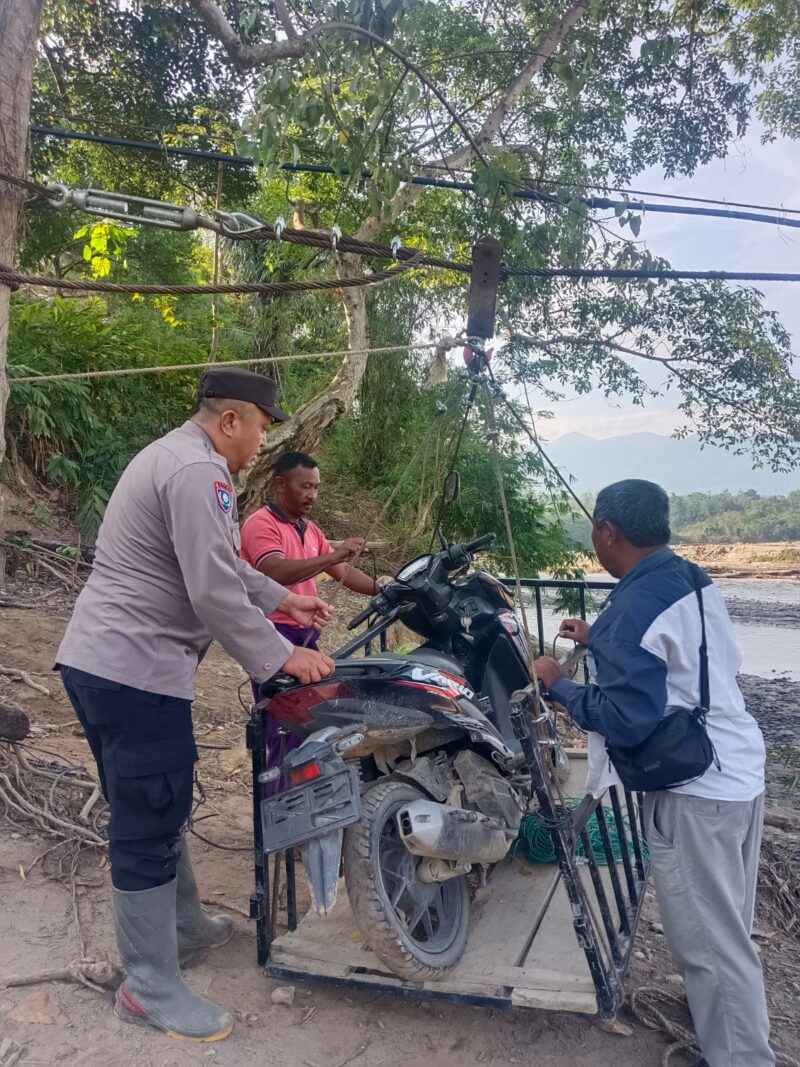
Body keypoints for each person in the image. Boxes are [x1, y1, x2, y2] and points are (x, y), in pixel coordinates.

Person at [56, 368, 336, 1044]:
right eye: (262, 427)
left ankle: (180, 929)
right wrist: (281, 655)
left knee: (156, 802)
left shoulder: (178, 458)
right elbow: (210, 588)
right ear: (230, 420)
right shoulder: (197, 471)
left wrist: (282, 598)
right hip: (135, 671)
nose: (263, 442)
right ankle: (149, 987)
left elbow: (218, 563)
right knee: (147, 818)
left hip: (109, 663)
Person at [533, 479, 773, 1067]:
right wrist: (600, 638)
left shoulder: (631, 608)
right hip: (740, 766)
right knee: (727, 925)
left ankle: (742, 1057)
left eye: (595, 532)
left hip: (695, 789)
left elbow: (625, 720)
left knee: (711, 945)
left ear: (607, 531)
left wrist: (559, 685)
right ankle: (725, 1032)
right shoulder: (687, 576)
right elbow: (678, 655)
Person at [240, 451, 380, 768]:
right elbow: (274, 571)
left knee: (311, 721)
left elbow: (343, 571)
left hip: (305, 636)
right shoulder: (261, 524)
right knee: (285, 726)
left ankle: (306, 783)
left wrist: (385, 589)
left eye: (316, 487)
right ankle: (280, 790)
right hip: (273, 635)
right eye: (305, 487)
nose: (312, 495)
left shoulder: (309, 529)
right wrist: (333, 556)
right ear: (280, 484)